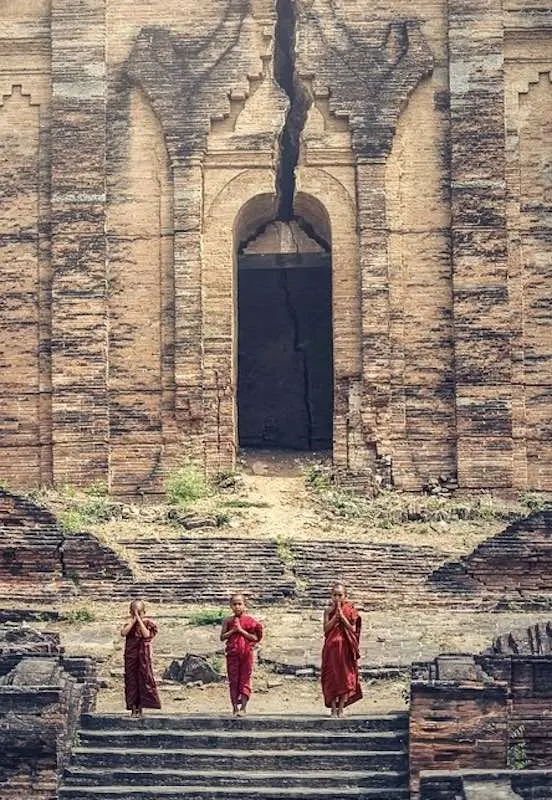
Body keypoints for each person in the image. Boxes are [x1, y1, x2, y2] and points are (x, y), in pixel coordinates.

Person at [321, 582, 362, 717]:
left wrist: (342, 617)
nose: (337, 598)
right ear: (331, 596)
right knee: (332, 678)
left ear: (345, 596)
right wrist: (335, 616)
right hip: (331, 649)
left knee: (345, 678)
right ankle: (333, 708)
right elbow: (326, 630)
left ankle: (341, 708)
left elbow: (353, 629)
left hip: (345, 648)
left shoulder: (350, 610)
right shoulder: (328, 611)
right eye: (335, 595)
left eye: (340, 595)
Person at [220, 593, 264, 716]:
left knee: (245, 679)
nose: (237, 607)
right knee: (233, 680)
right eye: (234, 604)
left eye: (240, 604)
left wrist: (241, 631)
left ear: (245, 605)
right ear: (230, 606)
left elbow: (255, 638)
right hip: (232, 654)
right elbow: (222, 637)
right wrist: (233, 631)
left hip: (246, 654)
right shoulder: (228, 621)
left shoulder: (250, 621)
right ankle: (234, 708)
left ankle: (243, 708)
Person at [120, 599, 161, 717]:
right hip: (131, 657)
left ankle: (141, 707)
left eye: (139, 612)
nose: (137, 615)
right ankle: (133, 708)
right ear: (130, 613)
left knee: (144, 680)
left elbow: (146, 635)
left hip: (143, 657)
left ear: (144, 612)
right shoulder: (129, 625)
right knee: (132, 682)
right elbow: (123, 633)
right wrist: (134, 620)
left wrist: (139, 619)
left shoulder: (148, 624)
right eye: (134, 612)